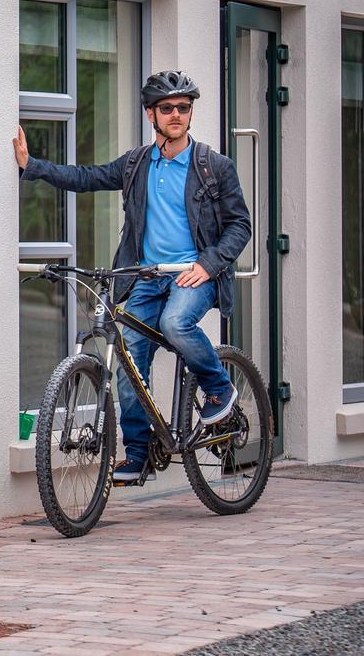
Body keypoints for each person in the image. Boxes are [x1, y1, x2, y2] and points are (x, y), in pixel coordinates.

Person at [13, 70, 253, 483]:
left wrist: (208, 264)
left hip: (192, 275)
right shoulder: (137, 164)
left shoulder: (215, 167)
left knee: (175, 323)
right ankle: (139, 453)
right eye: (167, 108)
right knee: (128, 359)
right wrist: (31, 166)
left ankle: (218, 388)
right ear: (151, 114)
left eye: (183, 107)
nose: (176, 114)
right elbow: (87, 178)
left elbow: (240, 226)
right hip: (146, 277)